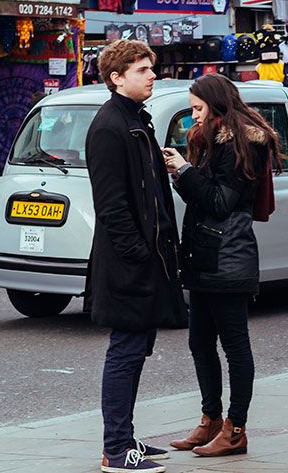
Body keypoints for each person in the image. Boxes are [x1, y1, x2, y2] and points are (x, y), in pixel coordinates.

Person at [164, 74, 281, 458]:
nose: (193, 116)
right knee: (199, 342)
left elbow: (218, 202)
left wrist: (183, 170)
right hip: (204, 257)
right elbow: (202, 197)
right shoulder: (208, 140)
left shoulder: (244, 143)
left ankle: (236, 429)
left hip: (228, 260)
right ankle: (211, 419)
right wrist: (182, 172)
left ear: (216, 105)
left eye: (198, 109)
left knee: (235, 347)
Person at [85, 39, 187, 473]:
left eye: (152, 67)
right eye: (143, 69)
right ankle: (116, 449)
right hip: (130, 264)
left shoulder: (135, 121)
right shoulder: (110, 127)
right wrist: (139, 256)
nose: (152, 75)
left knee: (137, 347)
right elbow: (111, 207)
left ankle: (126, 441)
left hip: (147, 260)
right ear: (117, 77)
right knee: (125, 350)